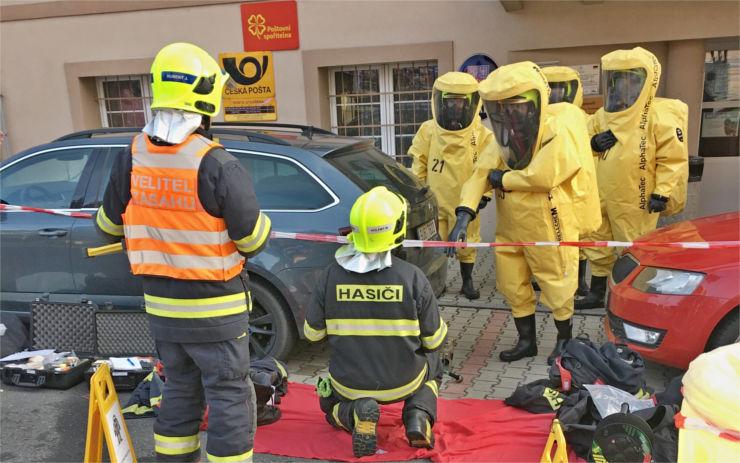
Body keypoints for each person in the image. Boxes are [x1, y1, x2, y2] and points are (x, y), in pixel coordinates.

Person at [94, 42, 271, 462]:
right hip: (217, 309)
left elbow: (106, 228)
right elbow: (252, 241)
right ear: (206, 99)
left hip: (163, 310)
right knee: (229, 395)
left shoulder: (132, 157)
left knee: (177, 388)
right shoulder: (217, 163)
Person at [447, 62, 583, 364]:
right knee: (512, 284)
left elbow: (544, 176)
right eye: (503, 109)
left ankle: (565, 343)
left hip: (549, 223)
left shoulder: (554, 132)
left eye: (516, 108)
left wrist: (504, 179)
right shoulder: (503, 139)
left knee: (558, 285)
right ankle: (527, 342)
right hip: (510, 226)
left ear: (534, 104)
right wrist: (463, 215)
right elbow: (480, 173)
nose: (509, 115)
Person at [303, 186, 447, 457]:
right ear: (396, 229)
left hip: (349, 384)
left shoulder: (329, 276)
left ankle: (355, 413)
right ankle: (418, 417)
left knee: (328, 403)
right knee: (435, 364)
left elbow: (311, 335)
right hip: (404, 381)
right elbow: (434, 340)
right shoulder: (413, 277)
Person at [577, 47, 688, 310]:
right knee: (597, 242)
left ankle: (632, 299)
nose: (623, 85)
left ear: (645, 81)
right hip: (600, 194)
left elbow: (672, 159)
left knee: (633, 247)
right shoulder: (602, 116)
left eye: (631, 78)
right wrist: (592, 143)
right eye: (618, 78)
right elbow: (577, 145)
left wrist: (662, 192)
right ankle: (596, 294)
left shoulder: (658, 116)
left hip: (635, 197)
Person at [409, 71, 494, 299]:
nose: (455, 106)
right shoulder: (429, 130)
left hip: (466, 202)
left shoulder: (482, 134)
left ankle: (467, 282)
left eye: (460, 101)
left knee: (468, 244)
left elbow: (488, 168)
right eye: (450, 101)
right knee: (433, 246)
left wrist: (484, 195)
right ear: (441, 102)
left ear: (470, 104)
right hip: (435, 200)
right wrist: (418, 192)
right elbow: (420, 163)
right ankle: (436, 283)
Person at [541, 66, 601, 298]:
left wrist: (595, 144)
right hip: (551, 190)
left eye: (561, 89)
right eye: (551, 90)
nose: (556, 96)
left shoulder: (586, 120)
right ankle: (547, 281)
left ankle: (579, 282)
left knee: (581, 238)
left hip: (581, 188)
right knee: (547, 239)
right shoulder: (539, 122)